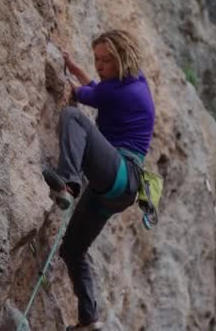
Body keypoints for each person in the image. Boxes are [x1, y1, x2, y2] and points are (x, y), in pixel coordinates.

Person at [42, 30, 155, 330]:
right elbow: (96, 88)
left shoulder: (120, 92)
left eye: (107, 60)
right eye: (97, 60)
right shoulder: (133, 84)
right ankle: (89, 320)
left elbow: (82, 93)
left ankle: (67, 182)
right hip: (118, 190)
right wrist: (76, 65)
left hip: (121, 173)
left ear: (122, 58)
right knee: (72, 249)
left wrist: (62, 65)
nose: (101, 65)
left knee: (73, 117)